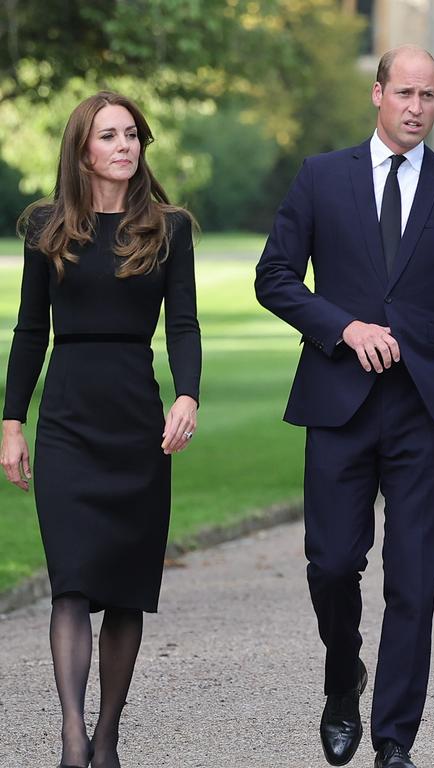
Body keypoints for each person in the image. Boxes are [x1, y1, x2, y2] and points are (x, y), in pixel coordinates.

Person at [254, 45, 434, 768]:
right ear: (378, 94)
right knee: (332, 564)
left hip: (424, 410)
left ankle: (394, 739)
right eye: (405, 93)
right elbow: (274, 277)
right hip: (339, 403)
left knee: (415, 581)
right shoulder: (321, 178)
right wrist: (342, 327)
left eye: (428, 96)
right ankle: (342, 673)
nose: (417, 108)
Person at [0, 92, 201, 768]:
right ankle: (71, 739)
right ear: (83, 150)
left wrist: (189, 396)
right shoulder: (46, 228)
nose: (126, 145)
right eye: (110, 135)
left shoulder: (169, 228)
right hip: (66, 421)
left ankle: (108, 738)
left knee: (124, 586)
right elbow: (30, 333)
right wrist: (11, 423)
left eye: (132, 135)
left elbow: (184, 324)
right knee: (73, 582)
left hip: (136, 420)